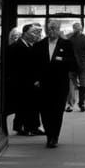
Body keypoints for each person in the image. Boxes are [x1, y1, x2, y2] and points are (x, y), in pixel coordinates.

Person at [32, 19, 78, 147]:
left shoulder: (66, 44)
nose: (52, 31)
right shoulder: (39, 45)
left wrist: (61, 59)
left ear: (59, 30)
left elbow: (73, 63)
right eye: (50, 29)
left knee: (57, 111)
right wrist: (35, 80)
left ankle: (54, 136)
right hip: (44, 84)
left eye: (55, 29)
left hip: (60, 83)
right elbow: (33, 65)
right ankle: (49, 134)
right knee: (45, 111)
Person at [10, 23, 44, 136]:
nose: (36, 35)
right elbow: (17, 67)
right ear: (25, 34)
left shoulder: (31, 46)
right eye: (33, 32)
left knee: (33, 105)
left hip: (31, 81)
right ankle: (24, 127)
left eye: (37, 33)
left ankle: (33, 127)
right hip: (22, 82)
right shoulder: (16, 46)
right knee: (24, 105)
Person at [66, 21, 85, 112]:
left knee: (71, 86)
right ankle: (81, 103)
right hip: (82, 65)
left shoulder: (69, 39)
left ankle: (70, 104)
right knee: (83, 85)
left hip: (72, 65)